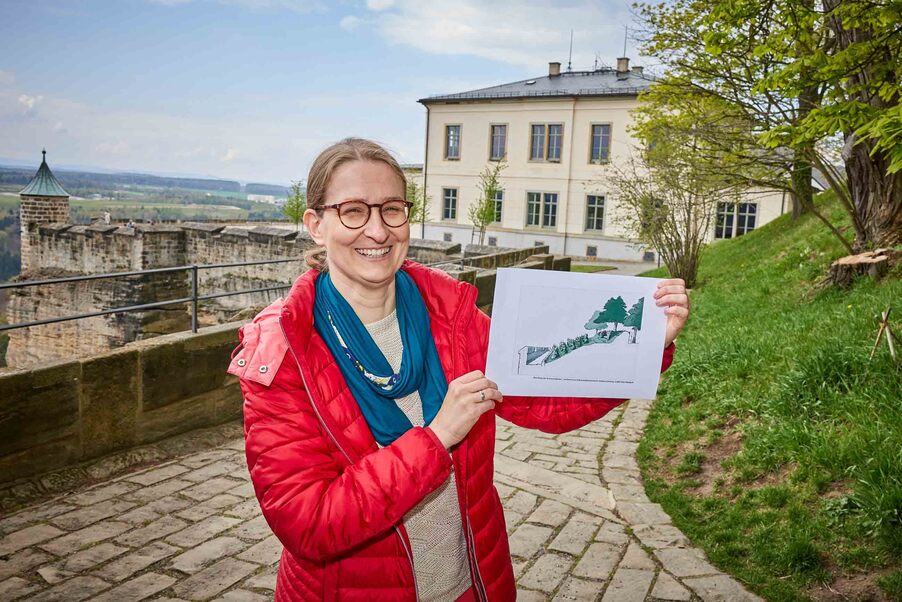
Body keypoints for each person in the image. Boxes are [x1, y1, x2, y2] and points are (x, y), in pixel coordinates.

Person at [228, 138, 689, 601]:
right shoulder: (286, 353)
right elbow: (309, 524)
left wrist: (646, 342)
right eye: (352, 211)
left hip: (468, 581)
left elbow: (548, 402)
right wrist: (437, 437)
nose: (377, 231)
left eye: (391, 209)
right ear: (315, 224)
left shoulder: (451, 314)